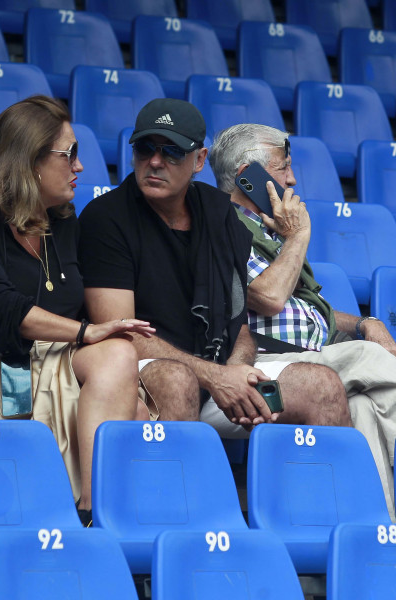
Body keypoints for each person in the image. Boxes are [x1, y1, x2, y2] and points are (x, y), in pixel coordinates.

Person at [78, 99, 350, 444]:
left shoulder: (218, 211)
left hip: (219, 376)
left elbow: (239, 324)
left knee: (322, 386)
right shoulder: (106, 218)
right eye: (145, 149)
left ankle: (336, 498)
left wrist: (237, 371)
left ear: (199, 160)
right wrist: (215, 376)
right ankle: (176, 498)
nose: (155, 162)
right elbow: (119, 335)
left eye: (172, 151)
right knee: (179, 381)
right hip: (145, 373)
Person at [0, 96, 154, 514]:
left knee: (121, 361)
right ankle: (89, 515)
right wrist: (86, 332)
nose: (80, 167)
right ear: (29, 159)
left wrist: (96, 334)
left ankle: (93, 512)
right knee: (131, 410)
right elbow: (0, 308)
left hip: (51, 361)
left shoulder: (63, 222)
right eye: (69, 155)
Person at [209, 123, 396, 516]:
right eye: (282, 168)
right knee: (375, 359)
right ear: (247, 177)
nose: (291, 179)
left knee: (362, 406)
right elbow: (269, 297)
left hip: (310, 352)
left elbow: (306, 306)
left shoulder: (266, 228)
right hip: (268, 360)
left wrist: (362, 323)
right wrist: (299, 235)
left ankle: (384, 519)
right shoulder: (224, 224)